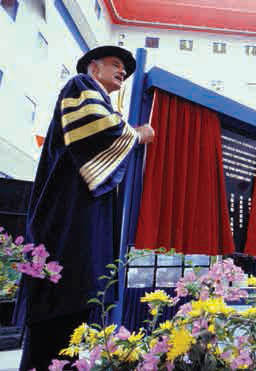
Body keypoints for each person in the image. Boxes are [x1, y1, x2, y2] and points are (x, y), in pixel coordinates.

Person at [20, 45, 155, 370]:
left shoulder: (100, 100)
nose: (122, 72)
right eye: (115, 64)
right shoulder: (80, 86)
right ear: (93, 68)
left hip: (78, 223)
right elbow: (97, 129)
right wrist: (136, 135)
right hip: (65, 223)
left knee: (71, 318)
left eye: (125, 68)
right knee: (59, 311)